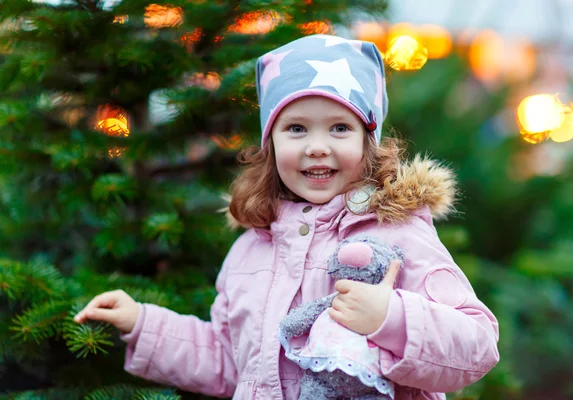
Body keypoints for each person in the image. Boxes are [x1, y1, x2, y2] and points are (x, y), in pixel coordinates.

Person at [74, 34, 499, 399]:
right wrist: (142, 323)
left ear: (369, 143)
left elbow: (477, 345)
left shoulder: (397, 235)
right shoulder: (252, 248)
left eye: (339, 128)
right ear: (271, 143)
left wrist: (391, 318)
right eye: (296, 128)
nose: (316, 146)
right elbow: (228, 360)